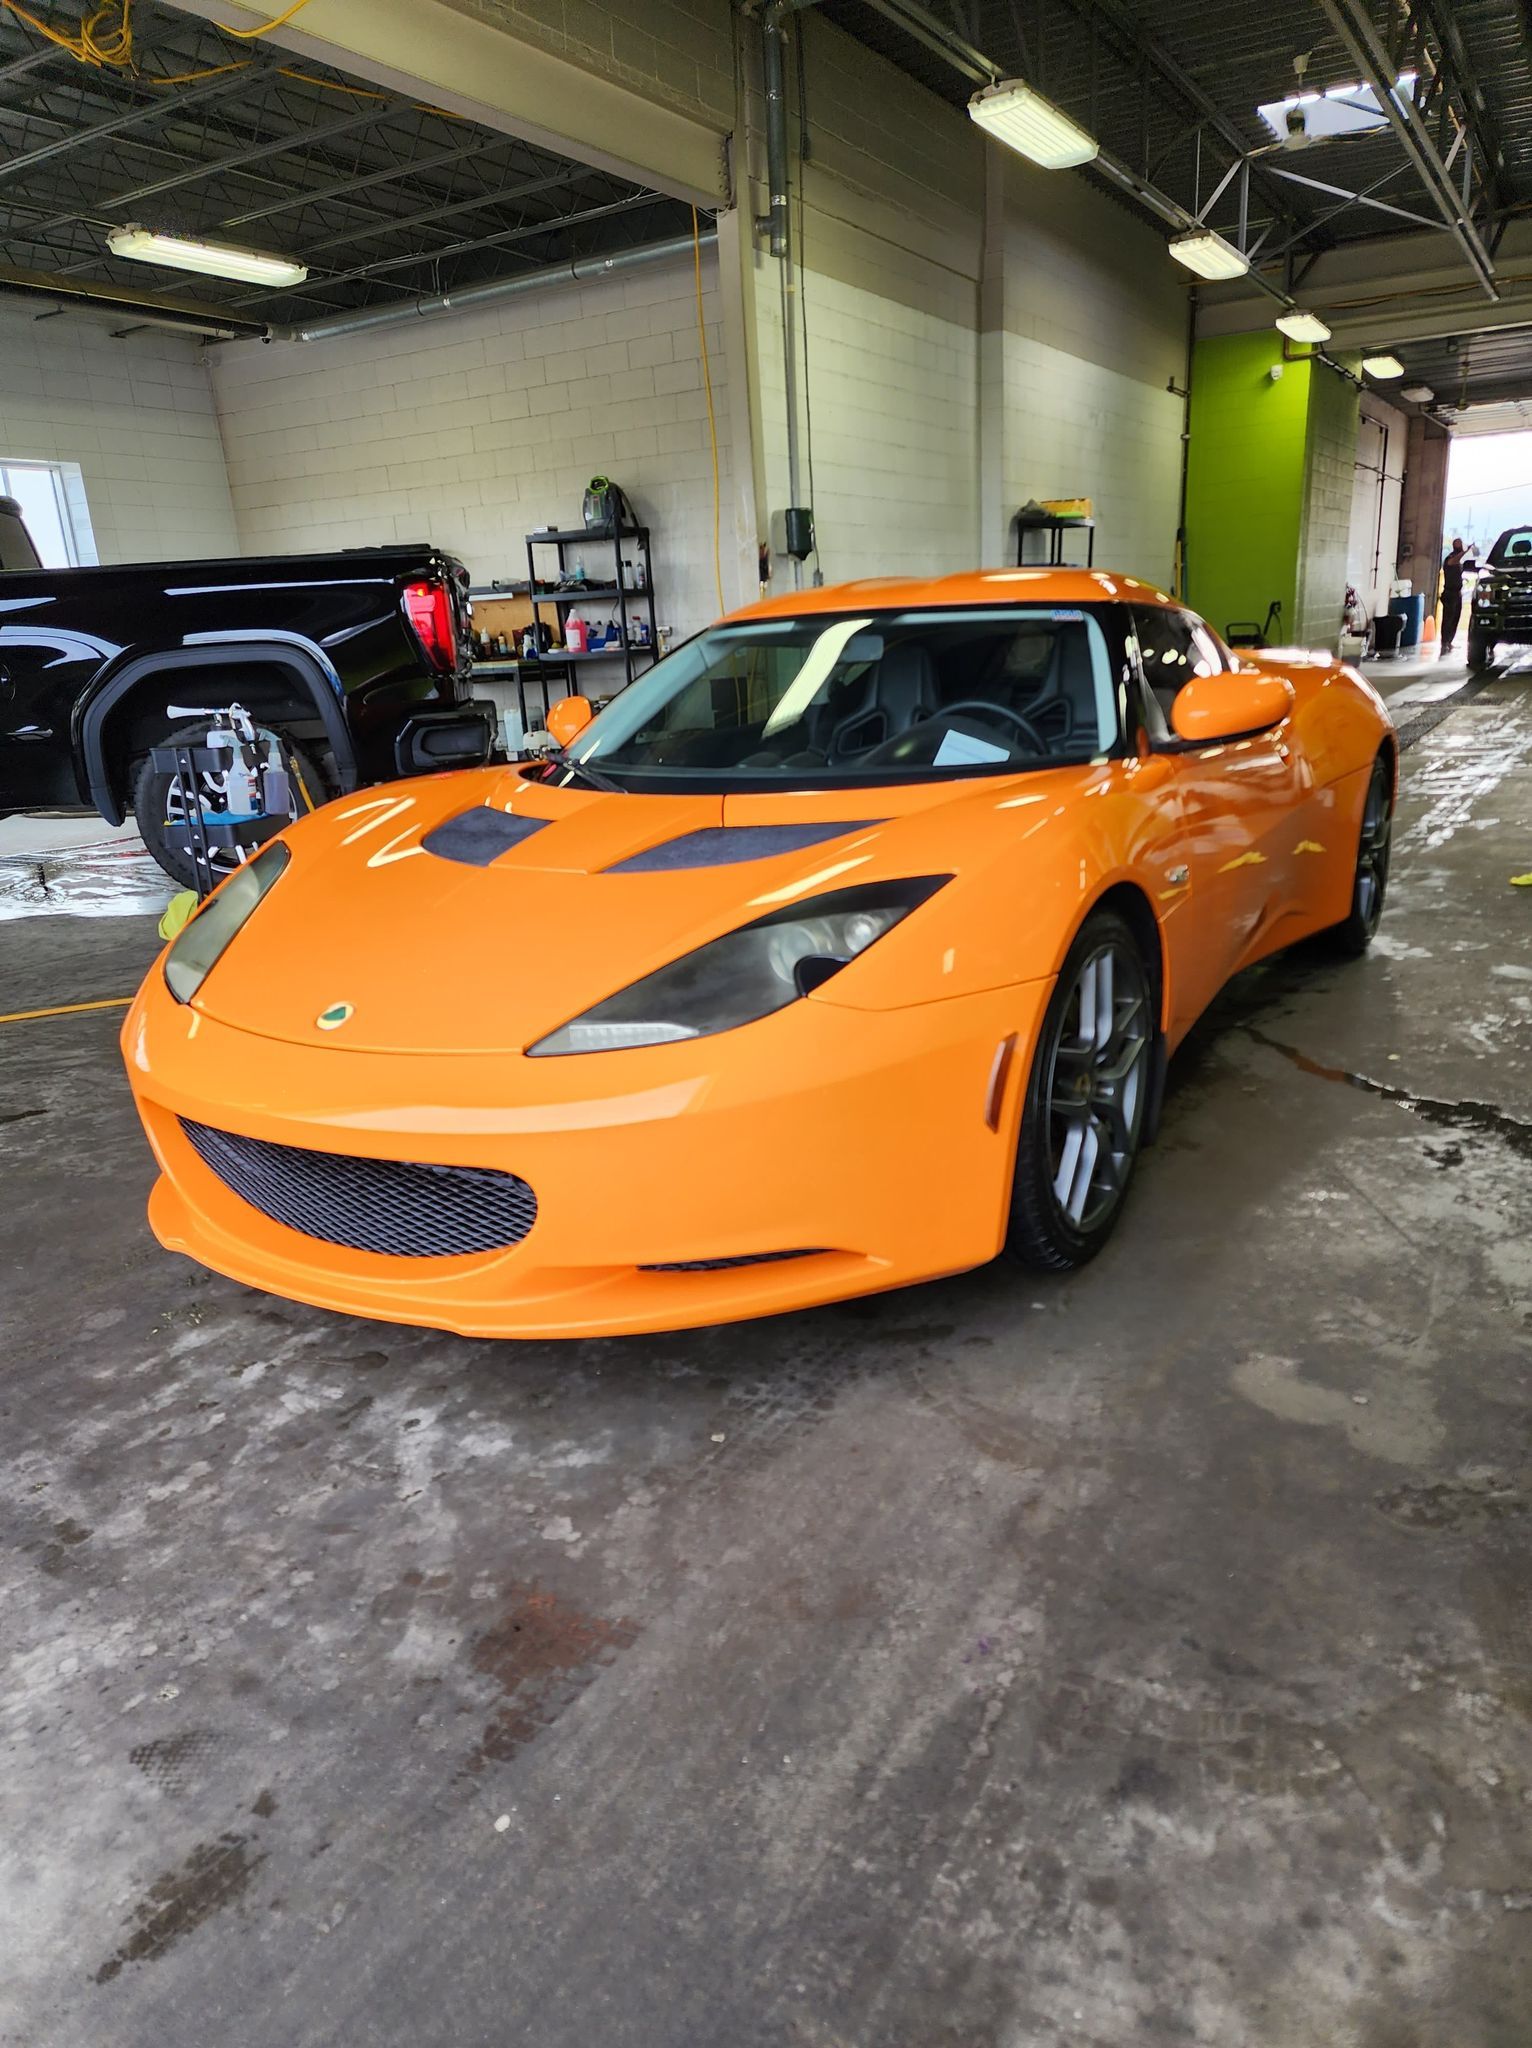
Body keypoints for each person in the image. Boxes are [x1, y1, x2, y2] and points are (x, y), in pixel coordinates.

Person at [1439, 537, 1469, 653]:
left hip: (1457, 593)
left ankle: (1450, 641)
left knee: (1455, 618)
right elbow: (1454, 560)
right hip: (1449, 593)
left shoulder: (1458, 562)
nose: (1460, 546)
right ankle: (1444, 642)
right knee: (1448, 619)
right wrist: (1465, 552)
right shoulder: (1450, 558)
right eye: (1458, 544)